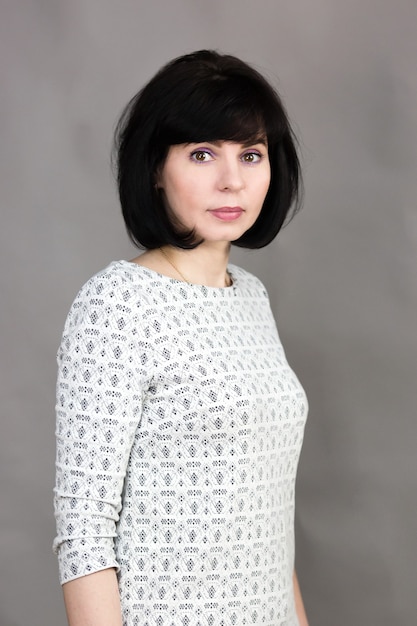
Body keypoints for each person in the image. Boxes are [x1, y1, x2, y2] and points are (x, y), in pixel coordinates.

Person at [53, 49, 309, 626]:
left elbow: (266, 520)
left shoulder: (250, 297)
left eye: (251, 154)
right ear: (153, 168)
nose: (232, 180)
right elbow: (83, 532)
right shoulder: (118, 303)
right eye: (201, 154)